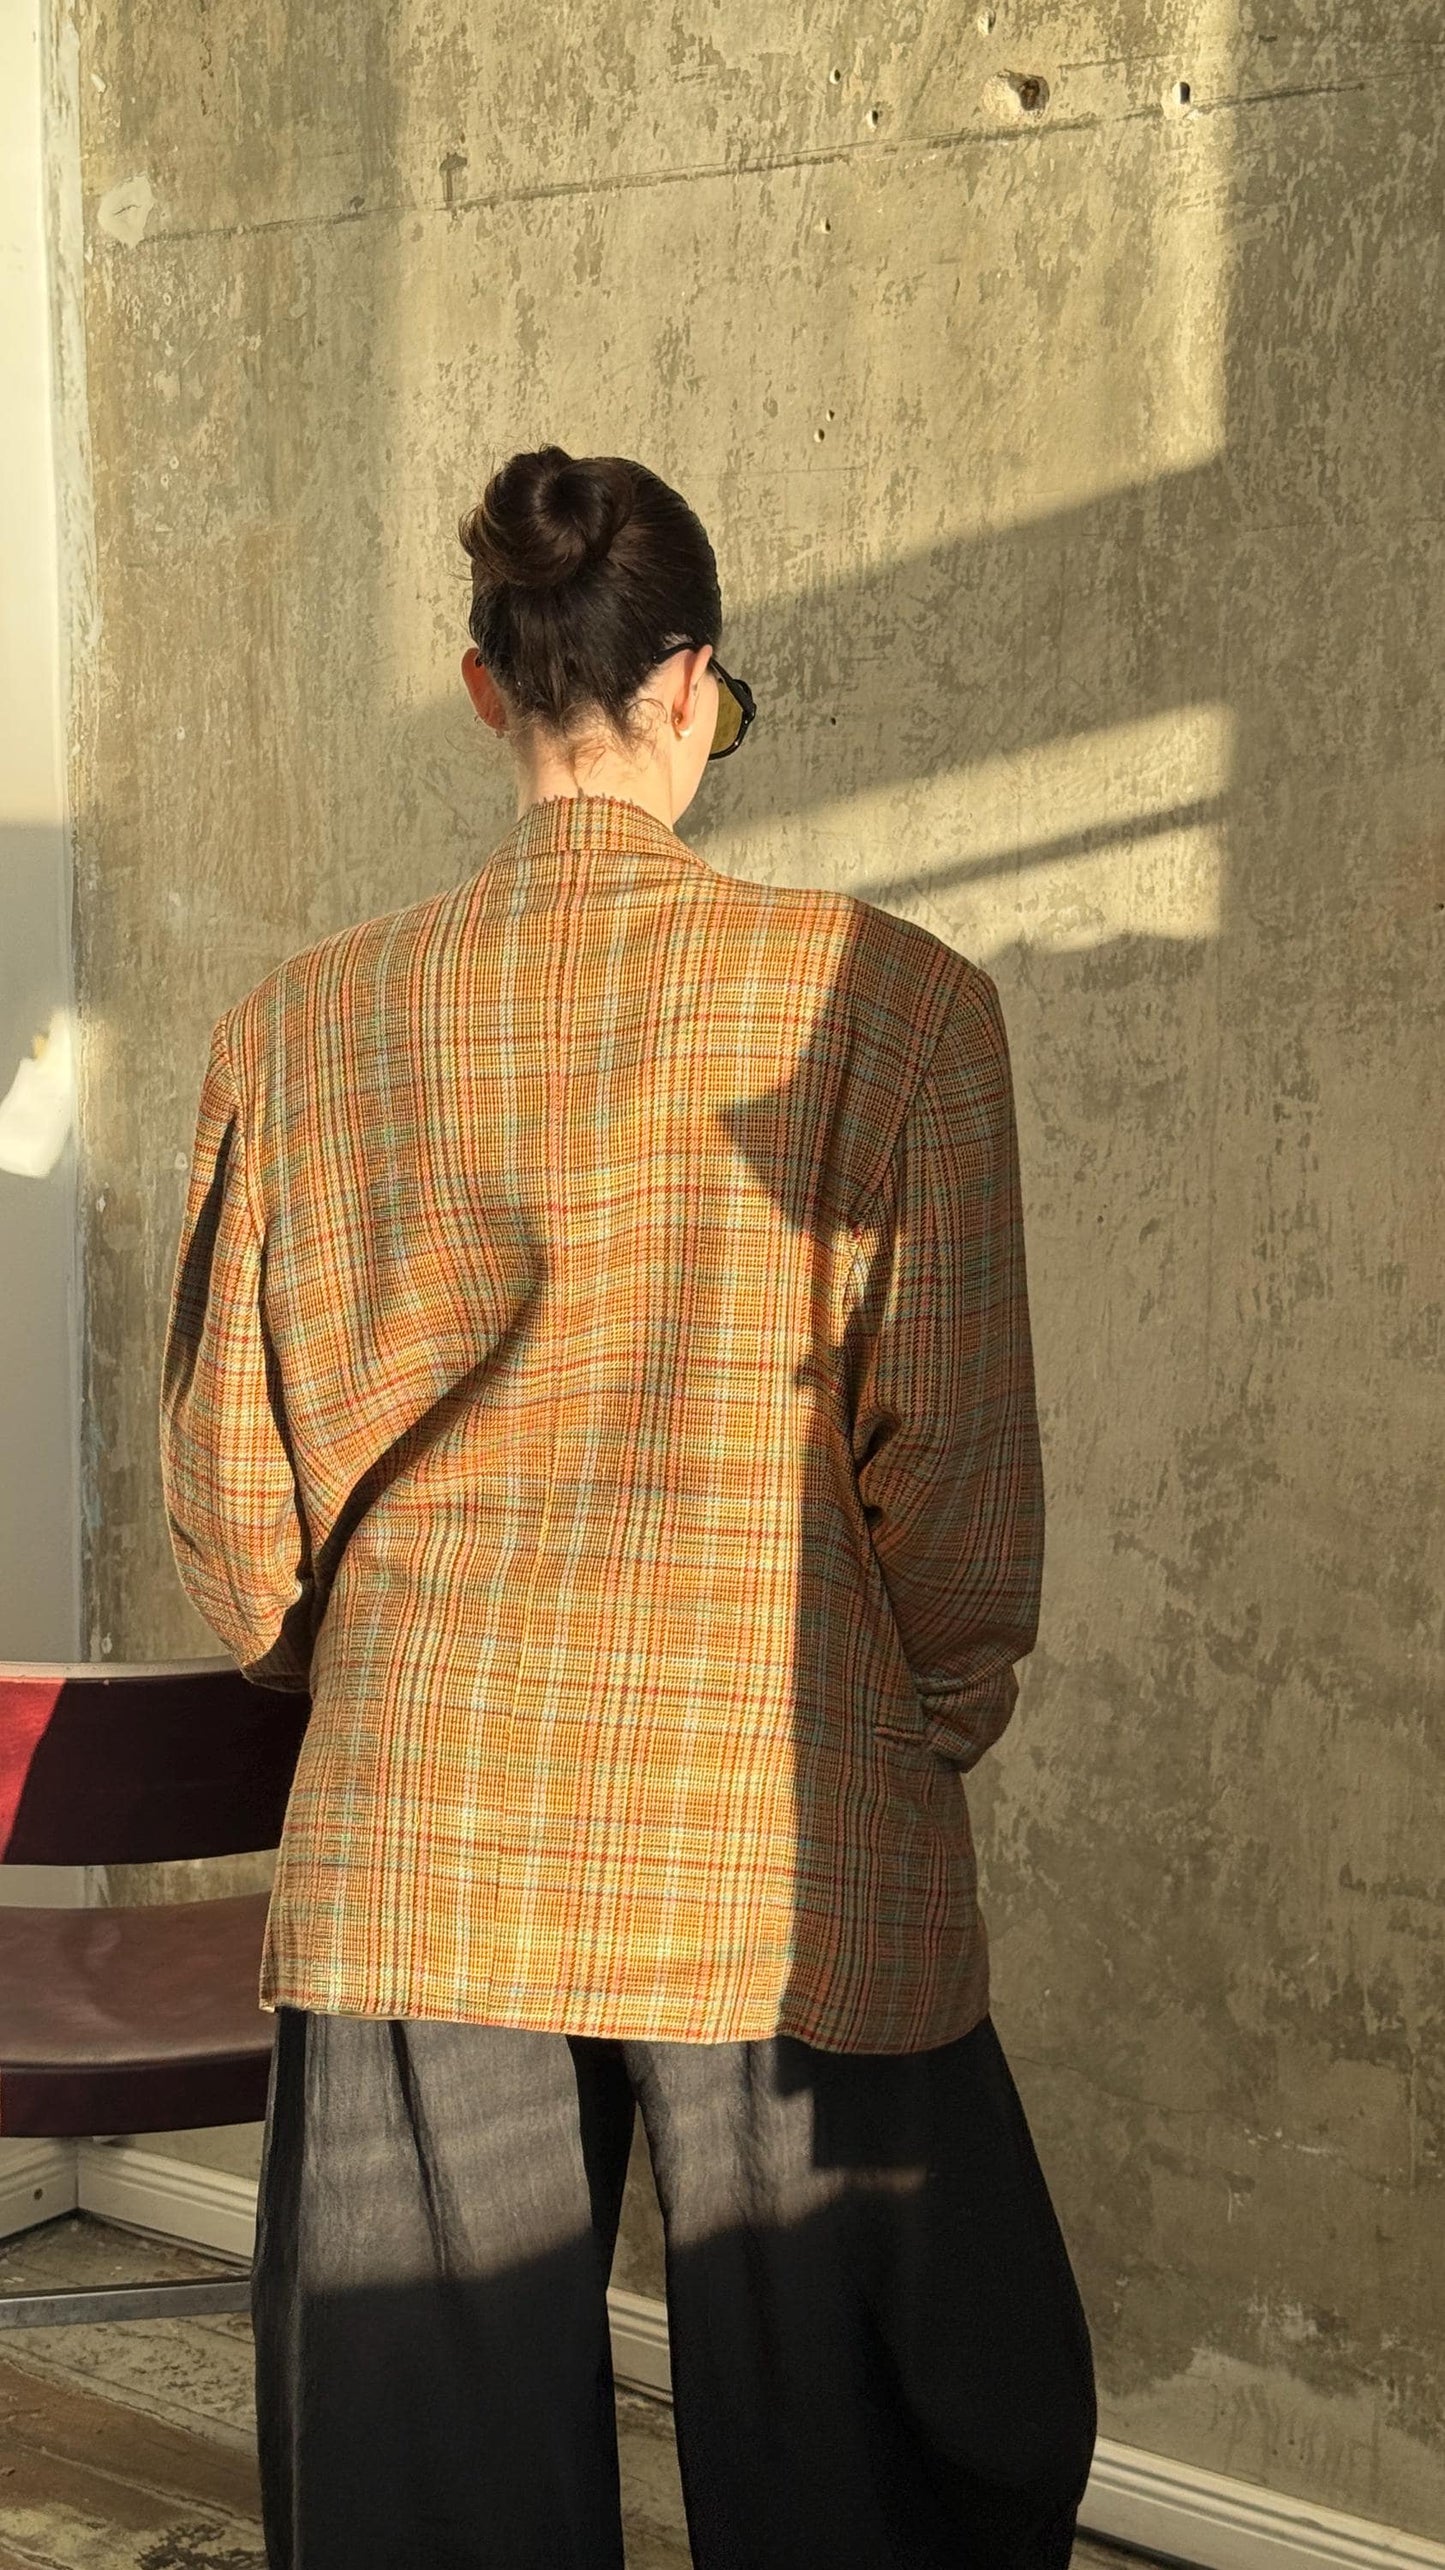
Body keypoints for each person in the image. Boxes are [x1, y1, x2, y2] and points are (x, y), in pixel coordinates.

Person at [159, 445, 1096, 2570]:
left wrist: (367, 1663)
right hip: (779, 1838)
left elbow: (236, 1516)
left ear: (490, 695)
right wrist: (921, 1710)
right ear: (692, 688)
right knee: (875, 2483)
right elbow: (953, 1489)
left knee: (428, 2506)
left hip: (428, 1842)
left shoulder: (296, 1030)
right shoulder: (903, 1012)